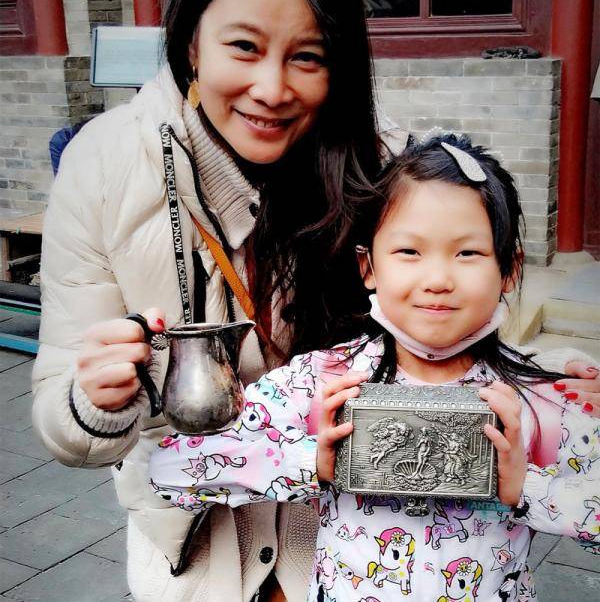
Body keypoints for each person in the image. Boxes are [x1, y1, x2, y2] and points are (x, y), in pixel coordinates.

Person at [32, 0, 597, 602]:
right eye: (244, 47)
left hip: (327, 552)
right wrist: (96, 400)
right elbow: (133, 449)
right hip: (203, 553)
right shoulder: (104, 169)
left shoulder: (378, 166)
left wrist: (539, 379)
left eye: (307, 57)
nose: (272, 89)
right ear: (190, 42)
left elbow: (439, 331)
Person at [149, 134, 600, 601]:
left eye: (467, 253)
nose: (438, 280)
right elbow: (171, 470)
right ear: (368, 267)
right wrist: (312, 463)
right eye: (409, 252)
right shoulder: (324, 383)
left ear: (509, 269)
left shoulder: (538, 400)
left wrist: (527, 487)